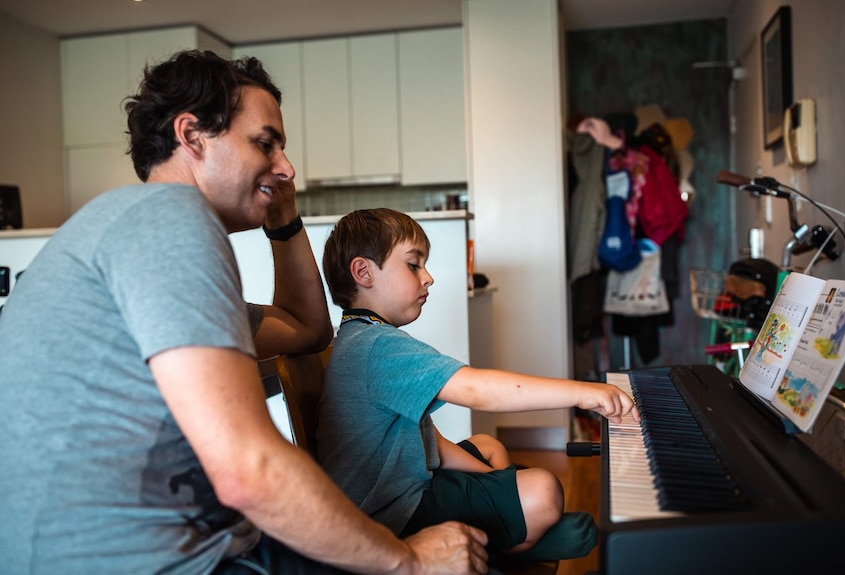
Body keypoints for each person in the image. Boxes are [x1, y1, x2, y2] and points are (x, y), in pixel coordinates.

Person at [0, 50, 489, 574]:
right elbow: (246, 468)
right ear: (192, 136)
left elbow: (307, 331)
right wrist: (407, 560)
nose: (286, 167)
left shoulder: (134, 227)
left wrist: (283, 218)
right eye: (264, 143)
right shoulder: (170, 223)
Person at [318, 208, 641, 561]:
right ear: (363, 272)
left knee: (489, 446)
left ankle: (511, 532)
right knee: (544, 490)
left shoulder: (360, 336)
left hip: (403, 488)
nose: (428, 278)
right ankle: (505, 544)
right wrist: (583, 392)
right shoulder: (378, 345)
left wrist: (490, 482)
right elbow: (477, 390)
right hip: (391, 517)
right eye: (413, 265)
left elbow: (429, 443)